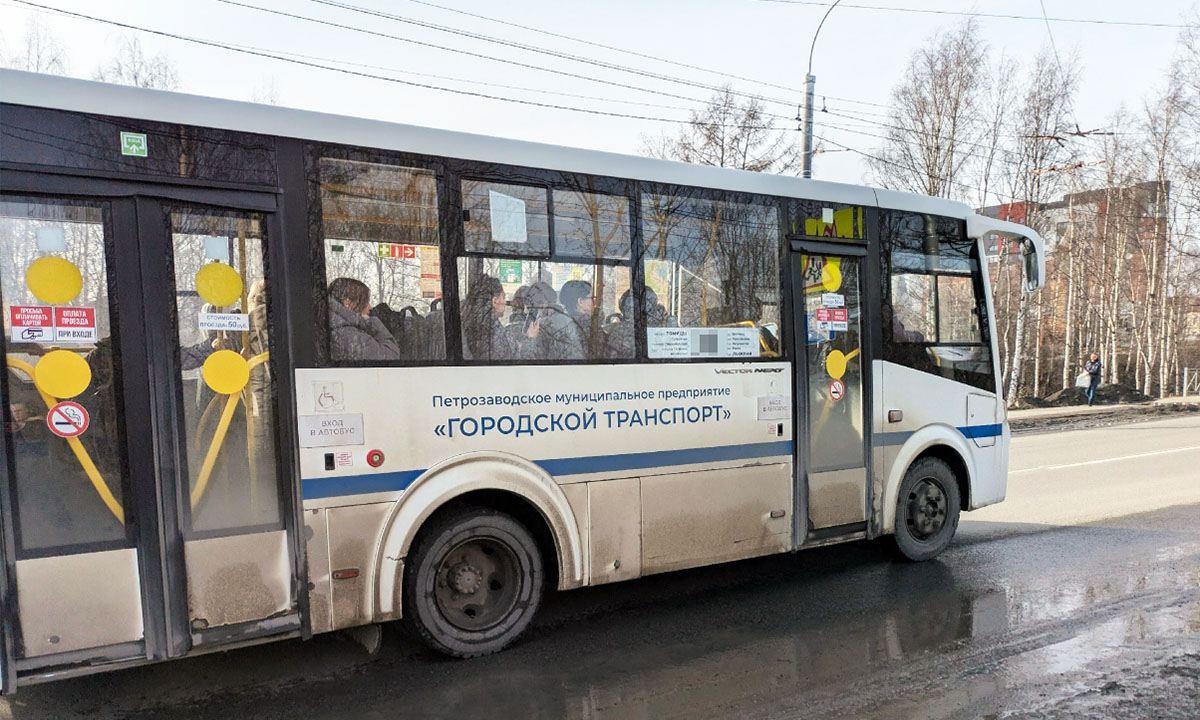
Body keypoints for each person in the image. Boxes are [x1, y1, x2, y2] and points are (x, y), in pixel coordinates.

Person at [328, 277, 401, 361]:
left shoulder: (335, 325)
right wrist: (372, 323)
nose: (369, 307)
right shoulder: (346, 333)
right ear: (347, 303)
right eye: (365, 302)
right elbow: (391, 356)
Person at [462, 275, 532, 361]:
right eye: (503, 297)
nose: (505, 302)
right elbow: (515, 366)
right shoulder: (493, 332)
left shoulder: (468, 321)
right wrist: (530, 339)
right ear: (495, 301)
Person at [525, 281, 584, 360]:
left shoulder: (551, 322)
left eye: (540, 303)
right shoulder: (538, 316)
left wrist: (530, 339)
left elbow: (532, 356)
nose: (540, 306)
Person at [559, 279, 597, 357]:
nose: (595, 303)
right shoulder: (589, 327)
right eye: (592, 298)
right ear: (580, 302)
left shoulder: (560, 324)